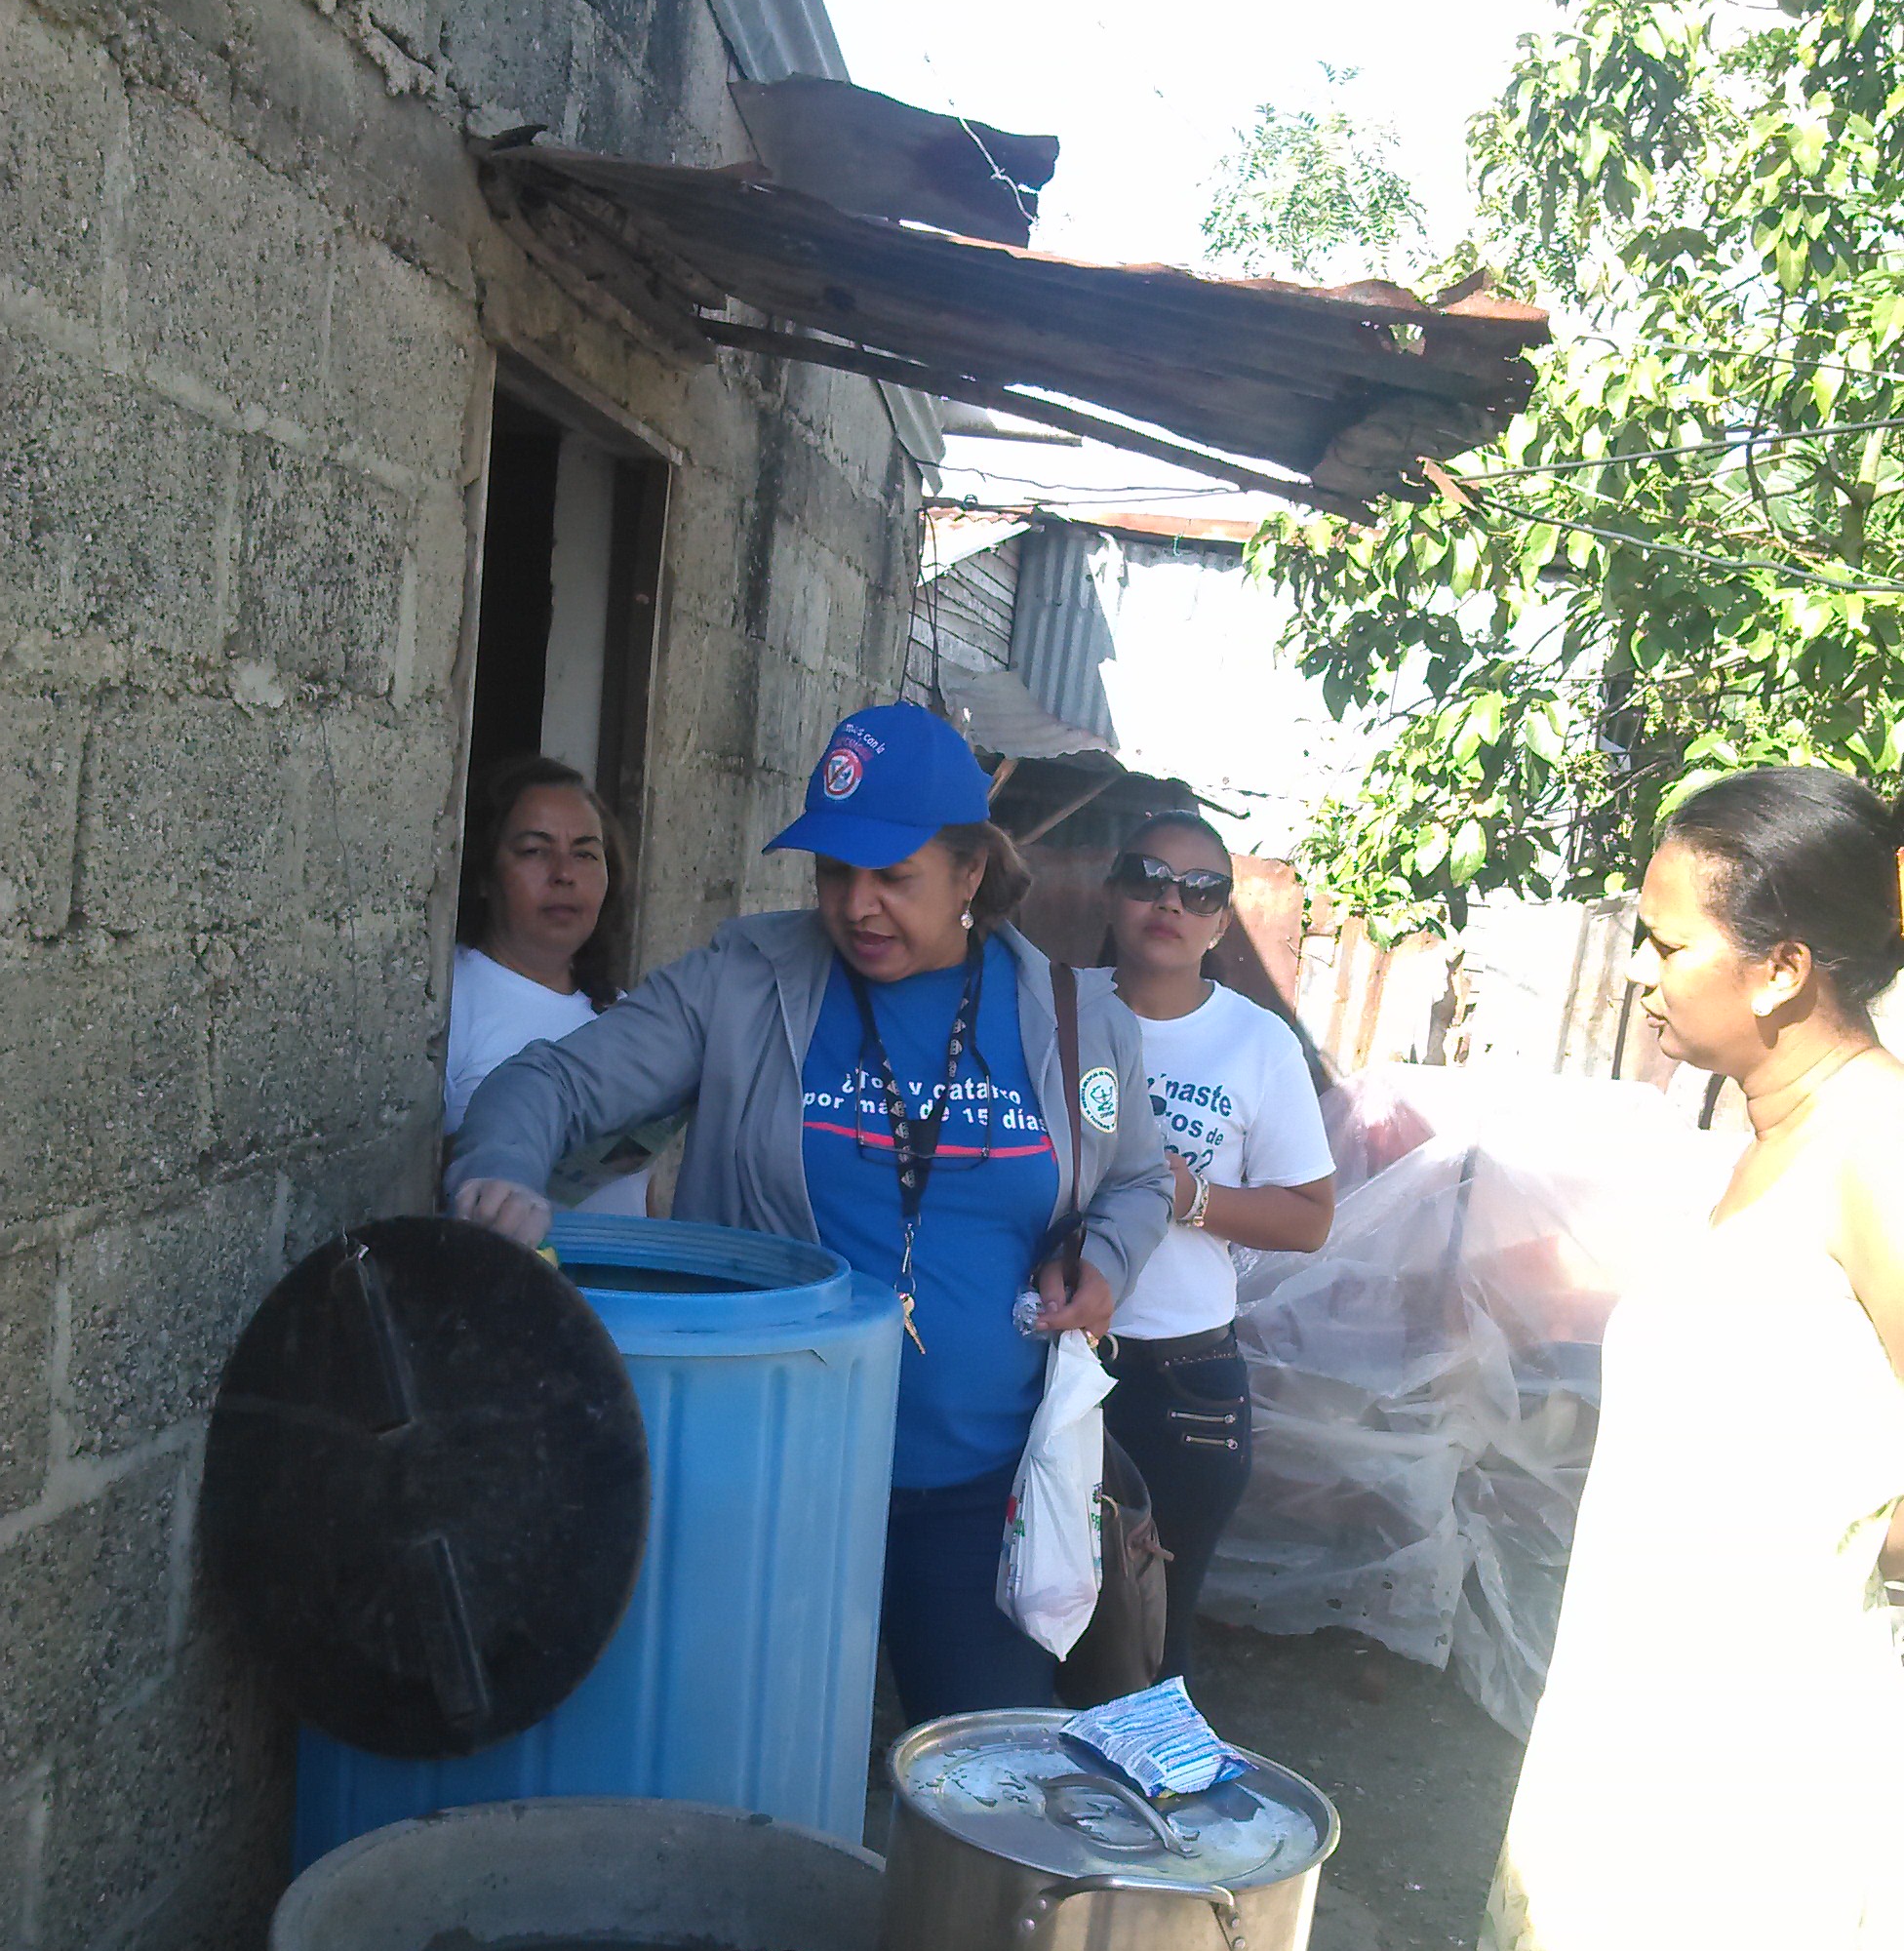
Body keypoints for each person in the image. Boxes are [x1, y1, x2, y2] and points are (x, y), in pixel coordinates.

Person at [1404, 768, 1904, 1951]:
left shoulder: (1872, 1142)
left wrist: (1838, 1558)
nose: (1637, 965)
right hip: (1645, 1722)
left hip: (1755, 1758)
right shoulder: (1766, 1128)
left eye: (1662, 934)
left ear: (1778, 963)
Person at [450, 702, 1172, 1723]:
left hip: (978, 1491)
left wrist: (1102, 1255)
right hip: (766, 1478)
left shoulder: (1073, 1017)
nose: (857, 907)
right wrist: (501, 1171)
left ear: (970, 874)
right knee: (745, 1758)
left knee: (982, 1777)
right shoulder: (745, 982)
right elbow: (550, 1085)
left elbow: (1139, 1179)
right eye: (835, 873)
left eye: (892, 878)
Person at [1097, 812, 1334, 1683]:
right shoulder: (1055, 1011)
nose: (1171, 901)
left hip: (1178, 1384)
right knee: (1034, 1614)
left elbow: (1310, 1217)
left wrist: (1189, 1196)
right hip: (1047, 1361)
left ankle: (1146, 1811)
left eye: (1200, 891)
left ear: (1223, 921)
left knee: (1150, 1635)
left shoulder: (1255, 1042)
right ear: (1112, 889)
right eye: (1147, 876)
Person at [443, 753, 633, 1135]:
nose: (564, 874)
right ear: (484, 874)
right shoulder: (449, 1001)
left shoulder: (621, 1011)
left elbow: (640, 1186)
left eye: (584, 854)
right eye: (534, 851)